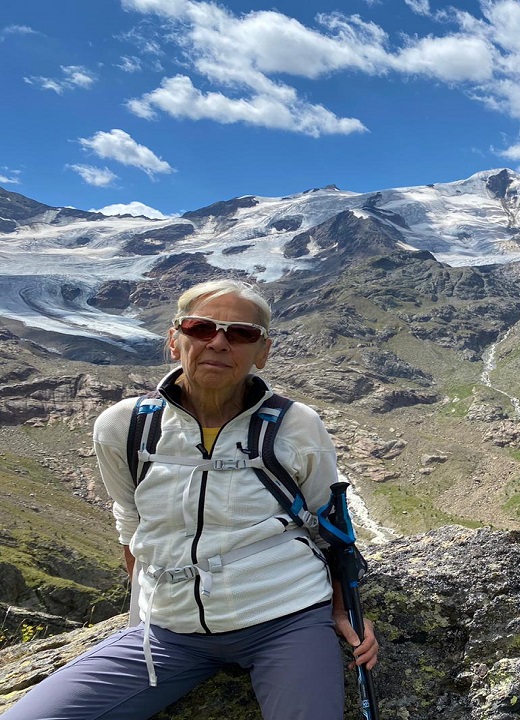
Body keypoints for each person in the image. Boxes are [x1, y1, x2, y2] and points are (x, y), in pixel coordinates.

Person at [5, 279, 379, 720]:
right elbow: (131, 520)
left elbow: (330, 524)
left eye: (241, 333)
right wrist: (150, 609)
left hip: (286, 620)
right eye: (202, 328)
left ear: (262, 351)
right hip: (169, 634)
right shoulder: (124, 425)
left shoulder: (296, 424)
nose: (219, 342)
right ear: (174, 339)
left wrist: (342, 609)